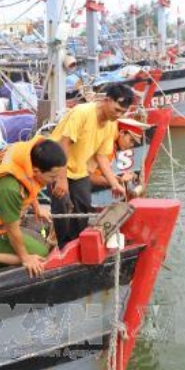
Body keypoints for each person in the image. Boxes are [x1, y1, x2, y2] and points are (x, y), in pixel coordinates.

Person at [50, 83, 135, 247]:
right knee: (62, 204)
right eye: (116, 110)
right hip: (57, 164)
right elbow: (64, 144)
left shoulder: (111, 124)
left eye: (122, 112)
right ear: (107, 100)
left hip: (79, 170)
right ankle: (63, 246)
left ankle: (77, 244)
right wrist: (61, 179)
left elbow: (102, 156)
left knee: (83, 206)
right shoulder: (82, 112)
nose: (118, 115)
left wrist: (114, 183)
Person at [0, 137, 66, 277]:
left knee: (35, 249)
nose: (55, 181)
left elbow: (29, 184)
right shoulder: (9, 188)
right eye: (52, 176)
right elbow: (12, 229)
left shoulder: (25, 154)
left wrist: (37, 207)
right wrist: (26, 258)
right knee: (42, 256)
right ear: (37, 171)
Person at [89, 117, 150, 189]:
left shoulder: (113, 146)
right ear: (121, 133)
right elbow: (88, 176)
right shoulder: (107, 146)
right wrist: (117, 181)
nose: (132, 145)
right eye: (131, 140)